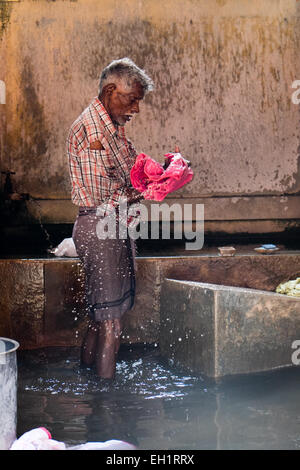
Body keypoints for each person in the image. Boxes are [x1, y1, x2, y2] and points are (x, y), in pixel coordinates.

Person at [67, 58, 154, 379]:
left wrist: (159, 173)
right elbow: (101, 193)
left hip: (112, 225)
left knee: (100, 316)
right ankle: (107, 404)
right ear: (110, 90)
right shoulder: (91, 130)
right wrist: (148, 189)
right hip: (100, 225)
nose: (136, 109)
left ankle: (88, 384)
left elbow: (133, 171)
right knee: (111, 323)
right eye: (132, 99)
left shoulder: (111, 129)